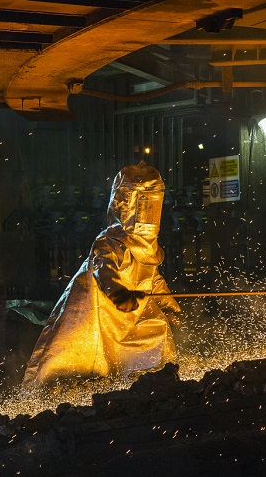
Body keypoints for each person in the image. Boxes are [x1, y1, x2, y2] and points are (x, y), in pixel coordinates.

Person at [23, 161, 181, 385]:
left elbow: (154, 280)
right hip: (102, 316)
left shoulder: (148, 249)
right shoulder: (109, 243)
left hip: (131, 317)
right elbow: (103, 270)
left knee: (157, 328)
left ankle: (149, 380)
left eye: (153, 206)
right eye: (144, 205)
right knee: (90, 362)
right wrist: (118, 293)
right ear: (125, 204)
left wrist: (171, 307)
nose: (148, 214)